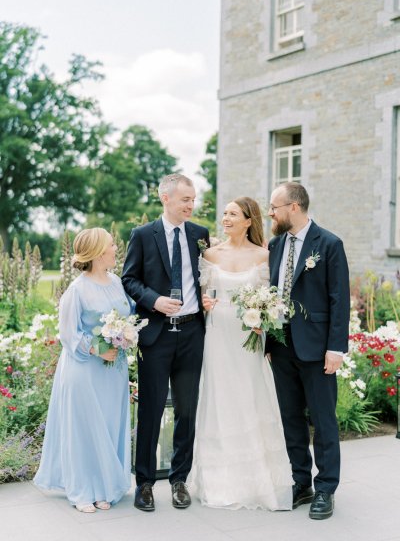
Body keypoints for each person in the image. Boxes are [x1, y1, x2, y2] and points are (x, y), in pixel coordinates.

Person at [189, 197, 293, 511]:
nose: (226, 218)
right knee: (220, 399)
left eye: (233, 214)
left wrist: (265, 318)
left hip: (249, 336)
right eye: (224, 213)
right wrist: (205, 302)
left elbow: (274, 297)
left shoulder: (264, 254)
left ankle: (255, 481)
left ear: (249, 220)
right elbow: (202, 294)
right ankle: (220, 483)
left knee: (249, 396)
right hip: (217, 334)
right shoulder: (209, 253)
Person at [121, 174, 209, 512]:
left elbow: (208, 277)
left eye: (193, 199)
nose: (190, 205)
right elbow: (129, 278)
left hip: (191, 333)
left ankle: (179, 480)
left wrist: (208, 299)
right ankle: (144, 482)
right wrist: (154, 300)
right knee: (151, 409)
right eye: (185, 199)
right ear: (165, 198)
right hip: (156, 335)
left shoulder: (200, 235)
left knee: (186, 410)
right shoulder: (143, 236)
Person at [266, 182, 350, 520]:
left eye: (275, 206)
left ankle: (326, 487)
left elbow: (338, 300)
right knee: (291, 419)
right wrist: (270, 342)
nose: (270, 212)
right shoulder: (275, 244)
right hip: (282, 347)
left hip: (317, 349)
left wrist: (336, 348)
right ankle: (301, 482)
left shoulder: (328, 244)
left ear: (294, 207)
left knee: (323, 420)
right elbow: (271, 293)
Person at [34, 228, 132, 513]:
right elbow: (68, 333)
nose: (116, 249)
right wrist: (97, 348)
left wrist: (126, 336)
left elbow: (127, 314)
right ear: (100, 252)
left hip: (114, 370)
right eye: (113, 245)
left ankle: (103, 487)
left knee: (109, 425)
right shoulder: (77, 289)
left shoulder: (116, 282)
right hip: (84, 368)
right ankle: (83, 490)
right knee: (85, 429)